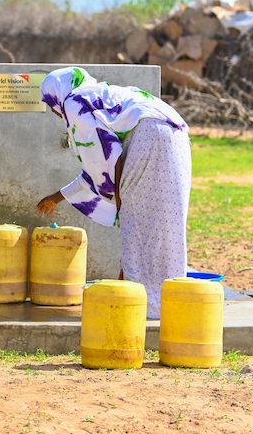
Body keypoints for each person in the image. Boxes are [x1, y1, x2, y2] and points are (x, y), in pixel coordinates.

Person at [36, 67, 191, 319]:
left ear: (58, 94)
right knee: (166, 225)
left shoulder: (75, 103)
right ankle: (168, 303)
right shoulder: (100, 95)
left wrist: (122, 203)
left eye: (50, 102)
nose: (53, 110)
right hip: (174, 133)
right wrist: (58, 196)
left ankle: (137, 307)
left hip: (149, 138)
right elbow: (101, 165)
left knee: (135, 226)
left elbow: (106, 161)